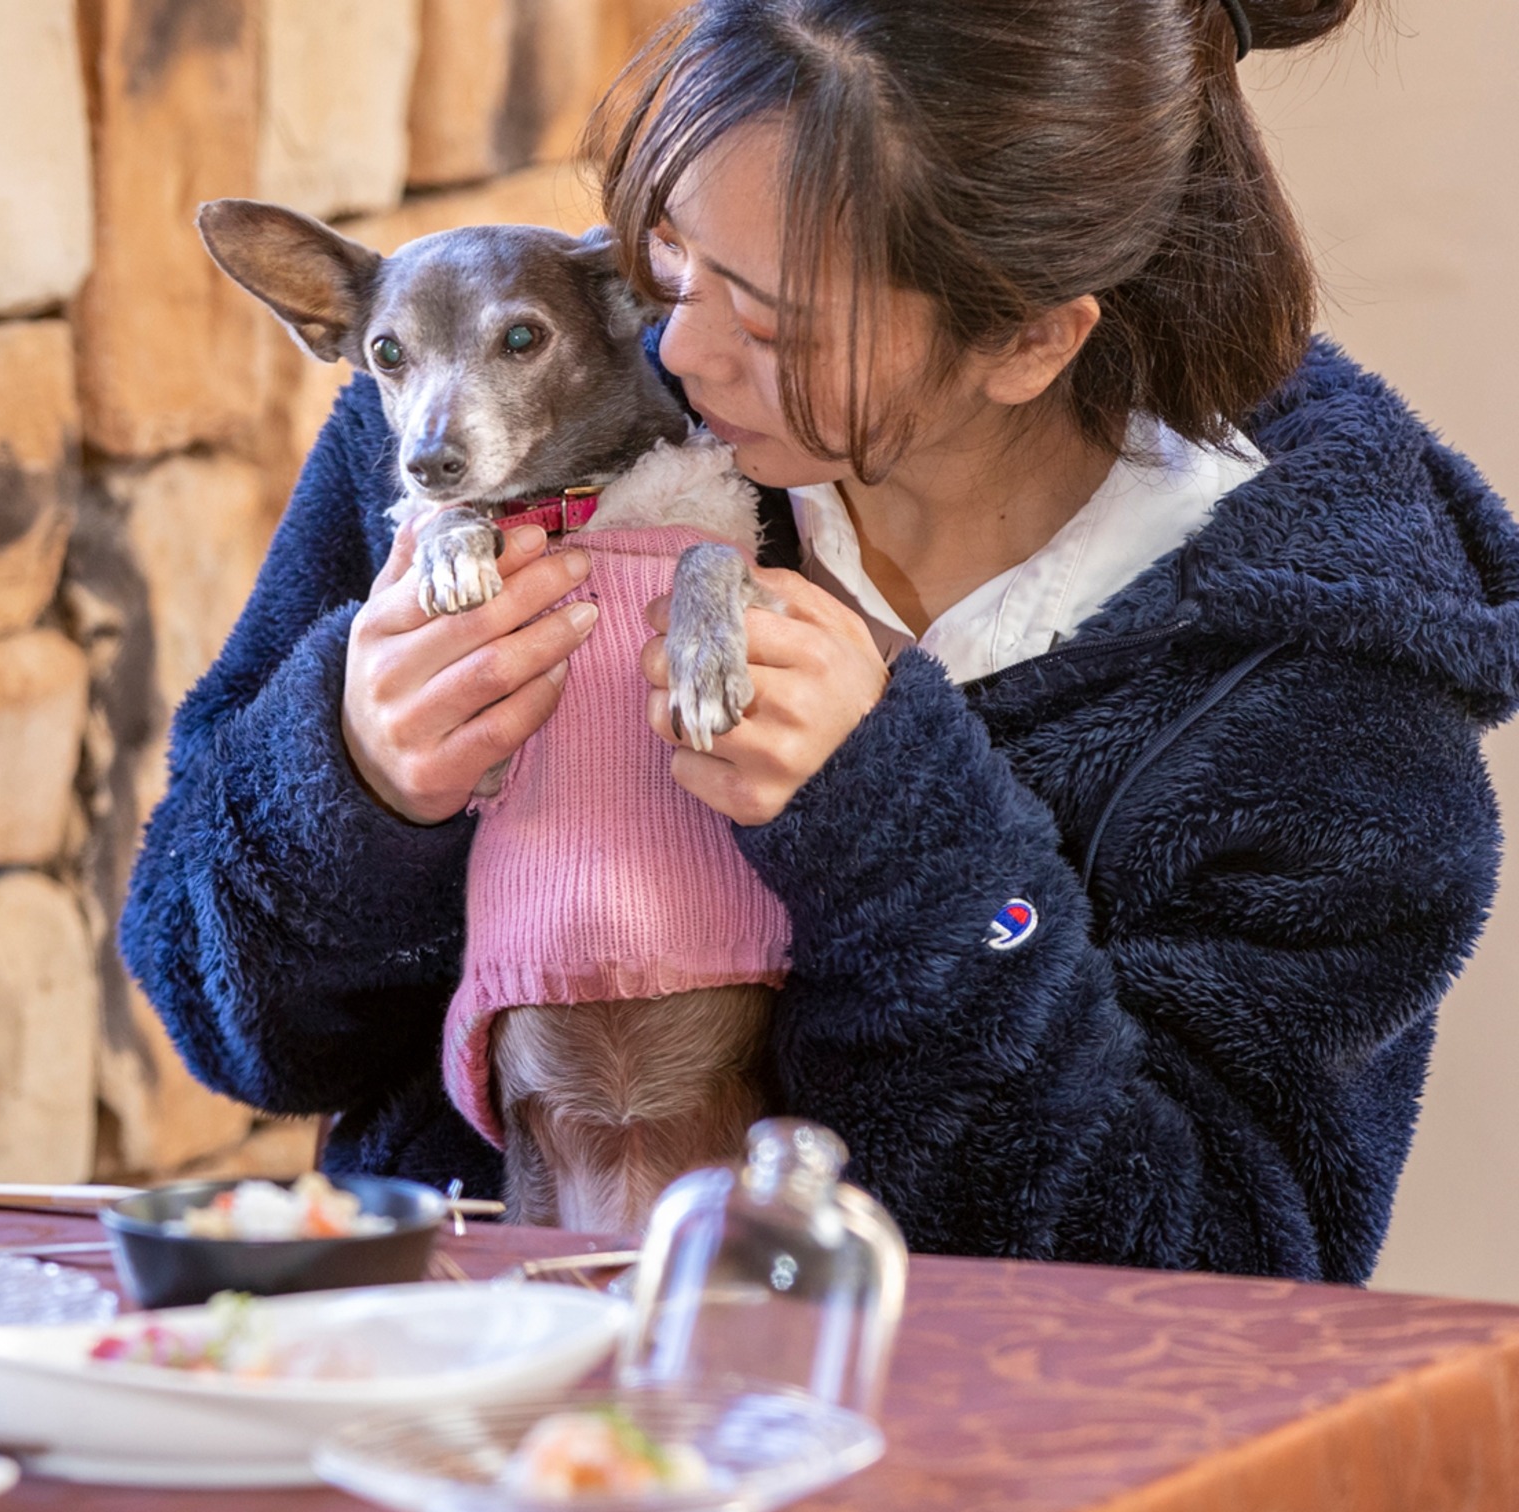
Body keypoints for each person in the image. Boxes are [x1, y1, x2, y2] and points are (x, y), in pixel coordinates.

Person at [120, 0, 1519, 1282]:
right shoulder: (505, 404)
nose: (674, 352)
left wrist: (903, 834)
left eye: (772, 321)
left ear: (1028, 339)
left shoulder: (1326, 685)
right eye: (667, 253)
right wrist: (351, 781)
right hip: (461, 1409)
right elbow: (233, 1021)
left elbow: (1211, 1270)